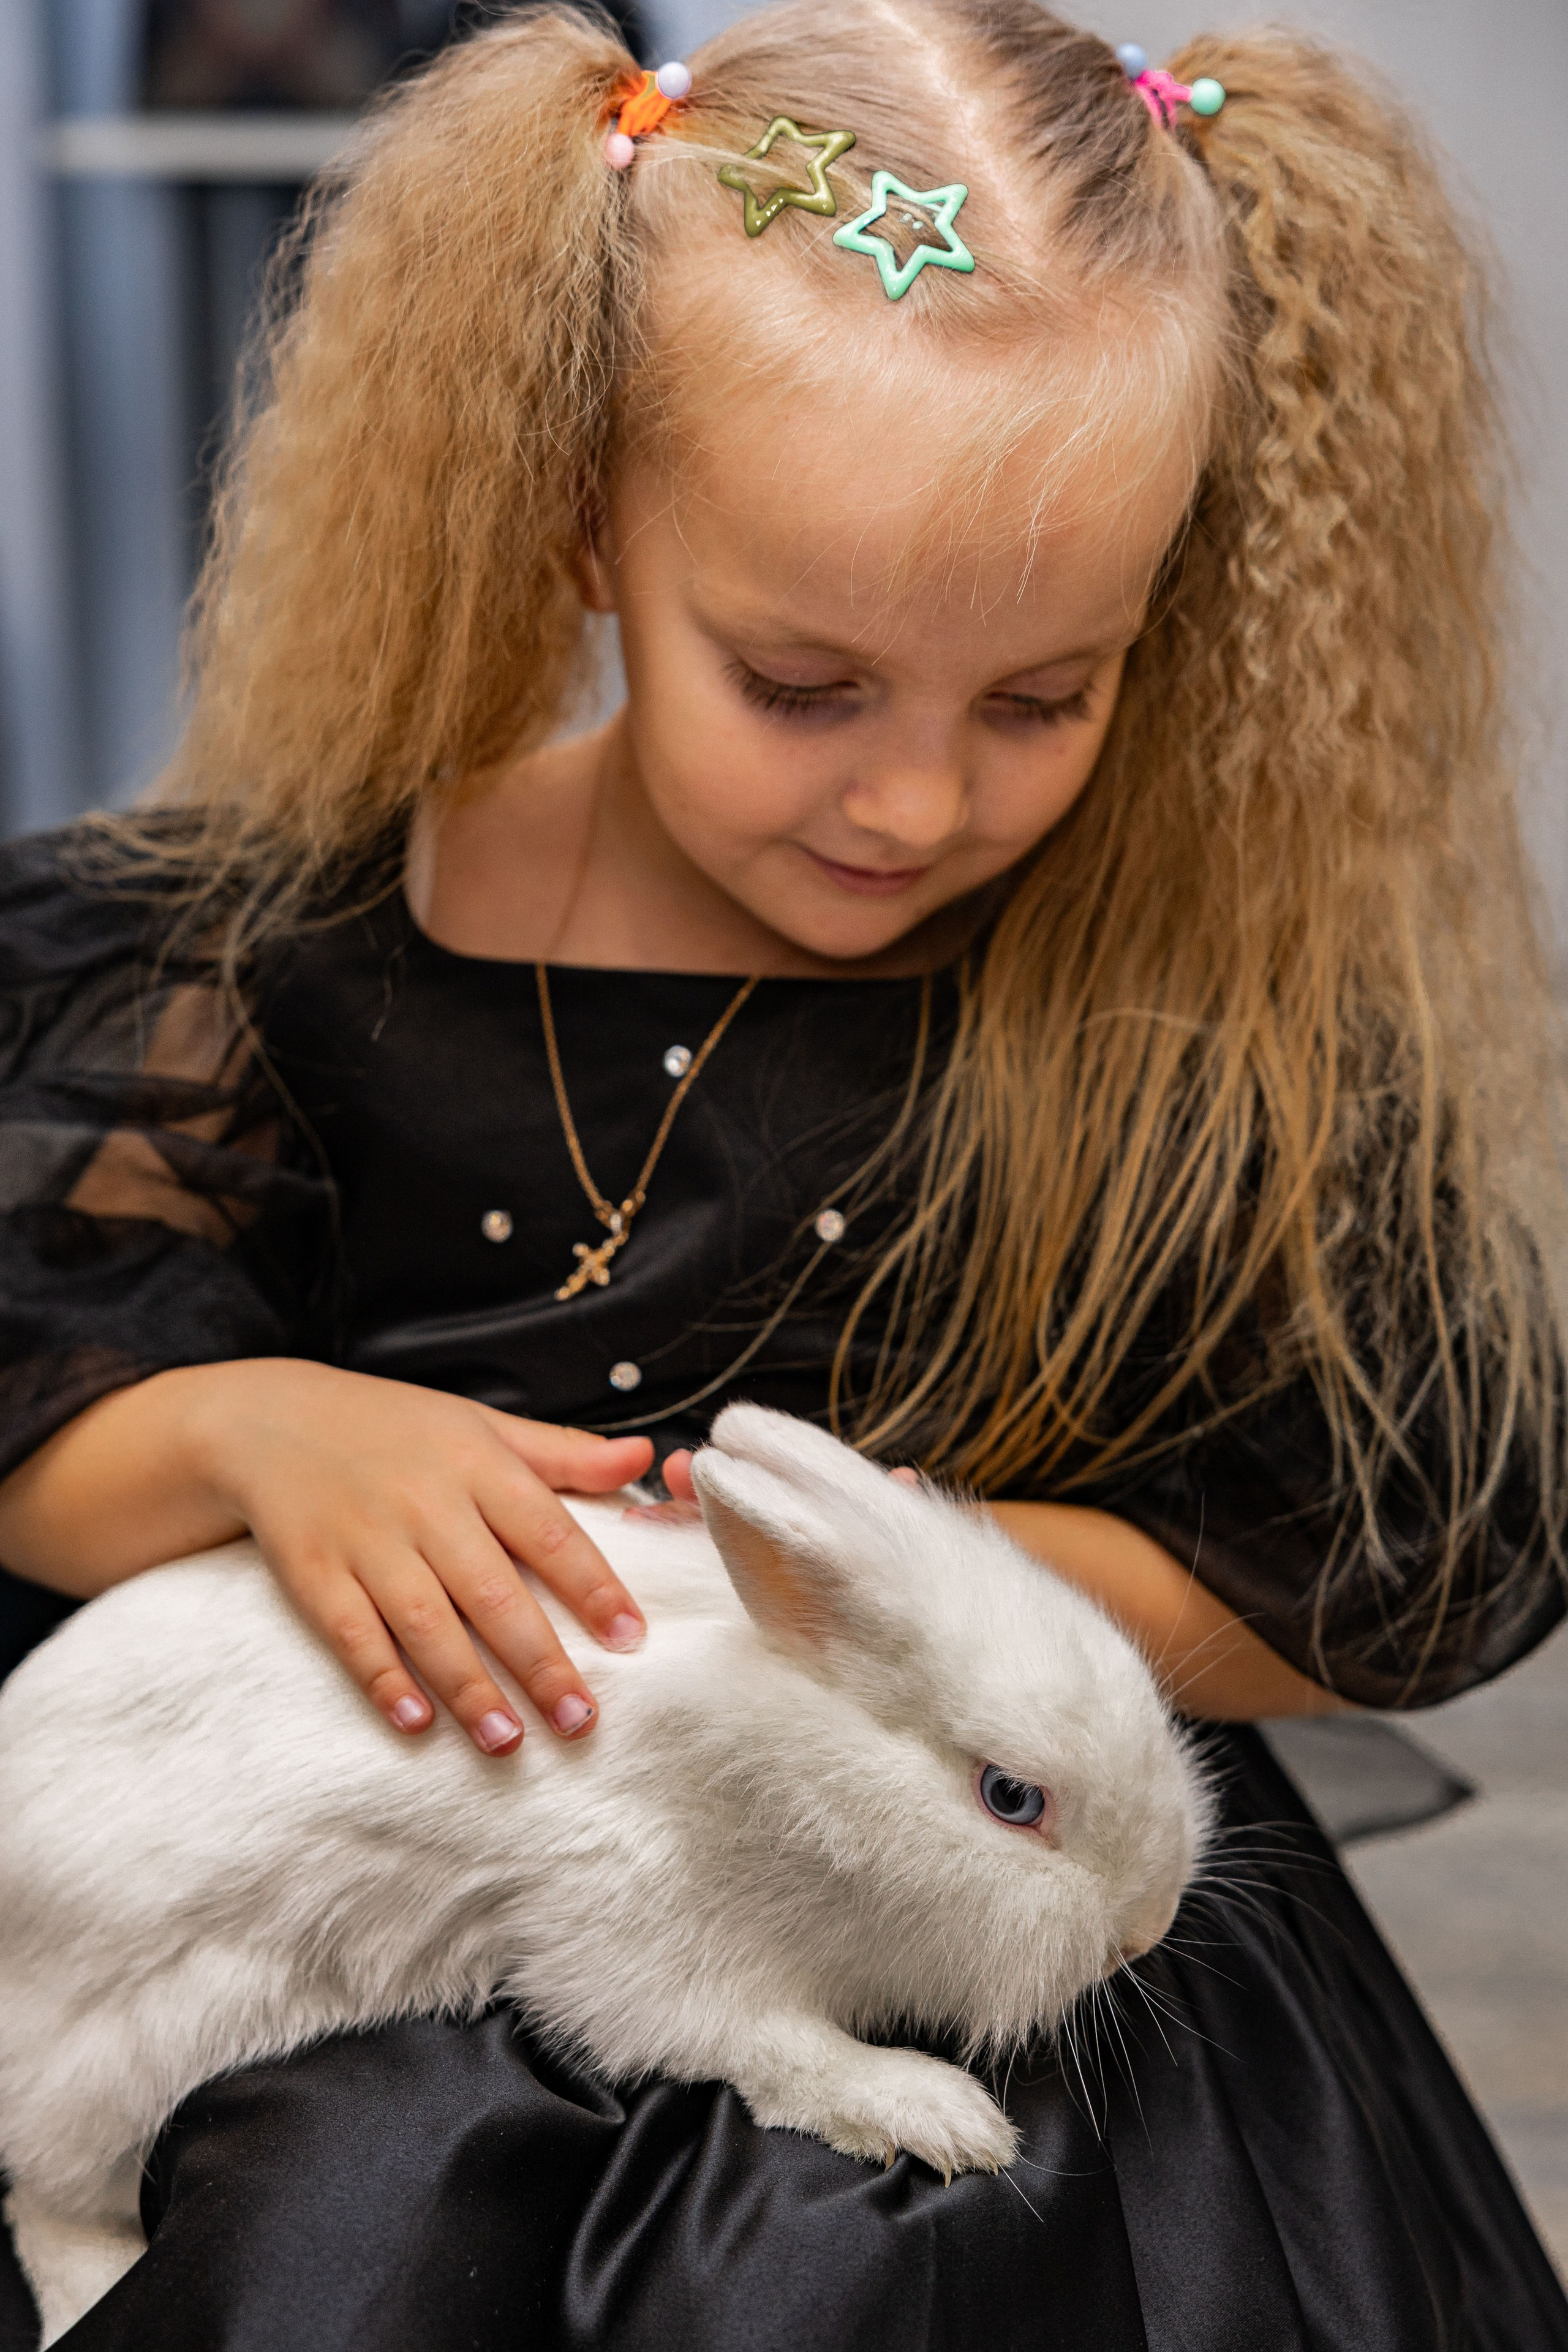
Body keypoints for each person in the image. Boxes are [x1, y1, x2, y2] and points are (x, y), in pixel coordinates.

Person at [1, 4, 1564, 2343]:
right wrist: (250, 1433)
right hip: (374, 1966)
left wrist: (884, 1640)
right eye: (804, 683)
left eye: (1044, 696)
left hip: (998, 1982)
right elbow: (42, 1417)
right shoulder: (256, 960)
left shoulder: (1202, 1030)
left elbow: (1398, 1553)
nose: (918, 805)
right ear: (579, 519)